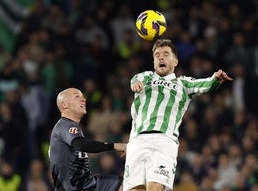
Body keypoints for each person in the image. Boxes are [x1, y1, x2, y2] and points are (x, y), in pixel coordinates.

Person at [123, 39, 233, 191]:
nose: (161, 57)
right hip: (137, 140)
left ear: (175, 61)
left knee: (154, 188)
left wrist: (215, 79)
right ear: (154, 61)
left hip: (164, 141)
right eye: (157, 55)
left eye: (166, 54)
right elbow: (134, 81)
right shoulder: (144, 77)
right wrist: (135, 85)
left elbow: (204, 84)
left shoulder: (183, 83)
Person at [49, 88, 126, 191]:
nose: (83, 99)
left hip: (88, 184)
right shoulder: (64, 125)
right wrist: (115, 146)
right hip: (72, 188)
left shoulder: (72, 128)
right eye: (77, 96)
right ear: (64, 105)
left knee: (129, 185)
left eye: (83, 97)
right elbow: (81, 145)